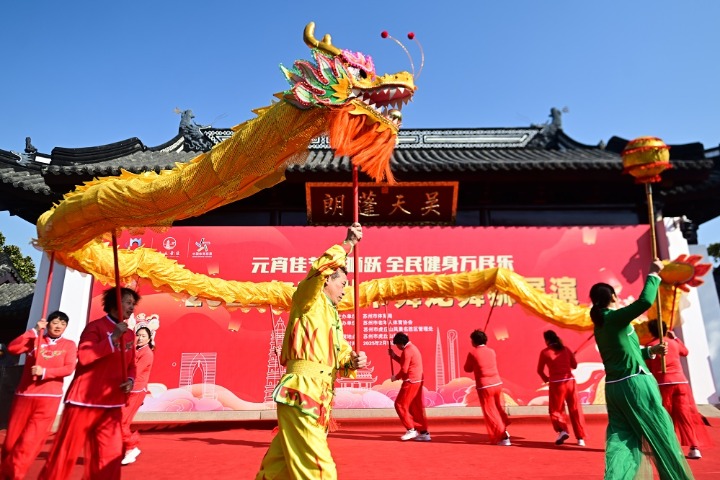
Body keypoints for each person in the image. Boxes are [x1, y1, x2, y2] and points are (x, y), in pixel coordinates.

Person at [256, 223, 368, 480]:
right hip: (303, 391)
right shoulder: (308, 298)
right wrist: (348, 243)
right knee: (318, 470)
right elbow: (320, 268)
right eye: (342, 283)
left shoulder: (332, 314)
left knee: (279, 468)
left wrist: (351, 360)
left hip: (318, 395)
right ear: (328, 279)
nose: (344, 290)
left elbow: (339, 354)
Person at [590, 259, 694, 480]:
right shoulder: (615, 318)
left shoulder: (600, 326)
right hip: (635, 384)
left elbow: (625, 354)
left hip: (615, 389)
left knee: (621, 439)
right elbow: (646, 301)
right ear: (613, 298)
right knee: (661, 435)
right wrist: (654, 273)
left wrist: (650, 351)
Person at [39, 287, 140, 480]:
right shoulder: (95, 327)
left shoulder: (130, 334)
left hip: (112, 403)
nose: (131, 307)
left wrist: (129, 380)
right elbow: (85, 357)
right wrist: (112, 338)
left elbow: (131, 365)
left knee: (109, 456)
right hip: (84, 401)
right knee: (65, 453)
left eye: (133, 304)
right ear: (114, 304)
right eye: (128, 302)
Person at [1, 311, 77, 480]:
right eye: (55, 322)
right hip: (25, 396)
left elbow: (69, 368)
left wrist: (45, 372)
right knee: (10, 443)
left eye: (63, 324)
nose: (58, 326)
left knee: (29, 442)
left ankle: (15, 475)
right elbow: (13, 348)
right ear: (47, 323)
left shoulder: (69, 345)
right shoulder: (35, 340)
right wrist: (34, 330)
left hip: (48, 399)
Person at [646, 321, 711, 460]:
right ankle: (694, 447)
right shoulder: (673, 343)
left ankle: (673, 448)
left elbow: (648, 367)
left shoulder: (652, 346)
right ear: (665, 330)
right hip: (681, 382)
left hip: (664, 384)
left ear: (651, 331)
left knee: (666, 416)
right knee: (685, 416)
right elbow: (685, 352)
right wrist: (674, 337)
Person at [536, 330, 586, 446]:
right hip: (570, 382)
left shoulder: (545, 352)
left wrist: (546, 379)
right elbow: (574, 366)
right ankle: (580, 438)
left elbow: (539, 370)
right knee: (575, 410)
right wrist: (571, 356)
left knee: (556, 410)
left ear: (547, 340)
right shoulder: (566, 349)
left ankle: (562, 430)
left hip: (557, 384)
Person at [463, 329, 511, 446]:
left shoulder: (473, 353)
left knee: (490, 411)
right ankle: (503, 424)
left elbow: (467, 368)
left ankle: (503, 436)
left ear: (474, 341)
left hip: (485, 386)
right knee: (497, 407)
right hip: (497, 383)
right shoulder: (491, 351)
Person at [120, 325, 155, 465]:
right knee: (121, 422)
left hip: (135, 392)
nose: (139, 338)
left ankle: (131, 447)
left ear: (149, 338)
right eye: (138, 335)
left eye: (143, 336)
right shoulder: (133, 350)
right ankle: (125, 449)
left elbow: (136, 371)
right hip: (127, 390)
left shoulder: (147, 353)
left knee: (121, 422)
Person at [388, 332, 430, 441]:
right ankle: (424, 432)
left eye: (397, 345)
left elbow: (404, 370)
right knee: (415, 407)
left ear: (401, 343)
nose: (397, 347)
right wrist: (394, 357)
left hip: (410, 381)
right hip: (417, 380)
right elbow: (406, 362)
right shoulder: (412, 348)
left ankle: (411, 429)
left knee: (400, 405)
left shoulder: (407, 351)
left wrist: (395, 378)